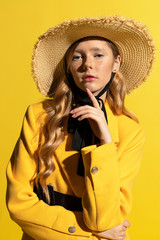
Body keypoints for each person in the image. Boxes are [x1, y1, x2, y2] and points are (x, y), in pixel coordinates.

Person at [6, 16, 155, 240]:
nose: (88, 64)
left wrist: (105, 142)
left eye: (98, 55)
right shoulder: (38, 117)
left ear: (116, 63)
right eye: (77, 57)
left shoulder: (130, 132)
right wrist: (86, 233)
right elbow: (18, 202)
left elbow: (107, 219)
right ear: (69, 66)